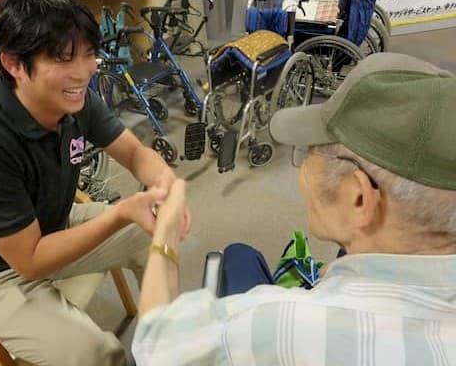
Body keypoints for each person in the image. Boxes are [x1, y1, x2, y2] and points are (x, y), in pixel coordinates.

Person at [132, 53, 456, 365]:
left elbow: (154, 344)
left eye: (311, 149)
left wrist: (166, 233)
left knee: (238, 254)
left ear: (358, 197)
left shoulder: (276, 326)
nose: (304, 162)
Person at [0, 0, 185, 366]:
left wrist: (163, 184)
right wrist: (122, 211)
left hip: (50, 225)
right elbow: (31, 261)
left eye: (88, 54)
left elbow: (136, 154)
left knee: (150, 232)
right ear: (14, 64)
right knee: (93, 353)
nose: (83, 72)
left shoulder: (74, 100)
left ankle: (168, 343)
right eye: (63, 59)